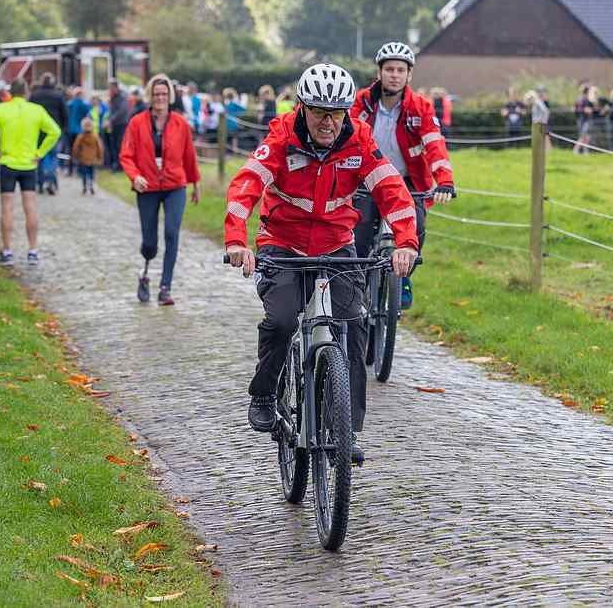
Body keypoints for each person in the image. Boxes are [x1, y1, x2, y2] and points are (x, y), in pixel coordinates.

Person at [225, 63, 419, 463]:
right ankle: (264, 392)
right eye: (318, 112)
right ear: (301, 108)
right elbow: (246, 184)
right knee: (282, 320)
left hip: (336, 246)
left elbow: (392, 190)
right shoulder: (281, 137)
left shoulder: (359, 141)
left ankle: (345, 431)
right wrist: (235, 241)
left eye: (336, 113)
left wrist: (405, 242)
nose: (328, 122)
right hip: (283, 243)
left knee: (353, 322)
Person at [350, 41, 455, 309]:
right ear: (379, 73)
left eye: (400, 70)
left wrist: (444, 181)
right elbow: (344, 136)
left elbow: (434, 145)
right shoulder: (362, 102)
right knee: (359, 229)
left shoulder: (420, 107)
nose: (394, 74)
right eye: (389, 69)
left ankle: (404, 276)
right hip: (367, 178)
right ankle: (355, 284)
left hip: (407, 181)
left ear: (409, 75)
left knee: (416, 224)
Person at [120, 74, 200, 306]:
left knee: (172, 234)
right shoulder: (136, 123)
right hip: (147, 187)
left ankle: (165, 287)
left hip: (175, 185)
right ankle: (144, 273)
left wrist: (195, 183)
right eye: (156, 94)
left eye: (164, 94)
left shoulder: (180, 123)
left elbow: (189, 155)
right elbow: (126, 154)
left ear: (170, 96)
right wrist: (135, 177)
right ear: (150, 96)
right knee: (150, 243)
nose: (160, 98)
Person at [0, 77, 61, 267]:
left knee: (7, 208)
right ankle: (32, 251)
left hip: (7, 162)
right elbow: (55, 131)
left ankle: (7, 251)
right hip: (29, 164)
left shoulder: (1, 109)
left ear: (10, 92)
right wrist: (40, 152)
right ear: (27, 92)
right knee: (30, 207)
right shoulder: (36, 110)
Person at [30, 73, 68, 194]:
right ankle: (51, 179)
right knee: (53, 156)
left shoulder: (35, 95)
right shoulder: (58, 95)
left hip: (39, 131)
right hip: (54, 131)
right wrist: (63, 129)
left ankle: (40, 183)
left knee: (39, 156)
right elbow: (65, 114)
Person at [72, 116, 103, 195]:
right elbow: (100, 147)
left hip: (83, 159)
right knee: (92, 173)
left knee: (84, 174)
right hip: (93, 159)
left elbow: (75, 147)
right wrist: (100, 157)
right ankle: (91, 185)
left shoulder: (80, 136)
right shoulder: (95, 136)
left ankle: (85, 187)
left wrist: (75, 156)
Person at [65, 88, 91, 176]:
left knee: (70, 150)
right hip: (79, 130)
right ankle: (80, 170)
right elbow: (87, 116)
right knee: (80, 150)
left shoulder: (69, 104)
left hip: (70, 130)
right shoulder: (84, 105)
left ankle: (70, 170)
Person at [107, 80, 130, 171]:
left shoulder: (122, 97)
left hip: (121, 124)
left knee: (120, 145)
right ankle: (116, 164)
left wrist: (111, 119)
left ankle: (121, 166)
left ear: (116, 87)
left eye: (111, 88)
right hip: (115, 125)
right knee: (114, 146)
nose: (110, 90)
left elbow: (122, 110)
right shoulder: (113, 97)